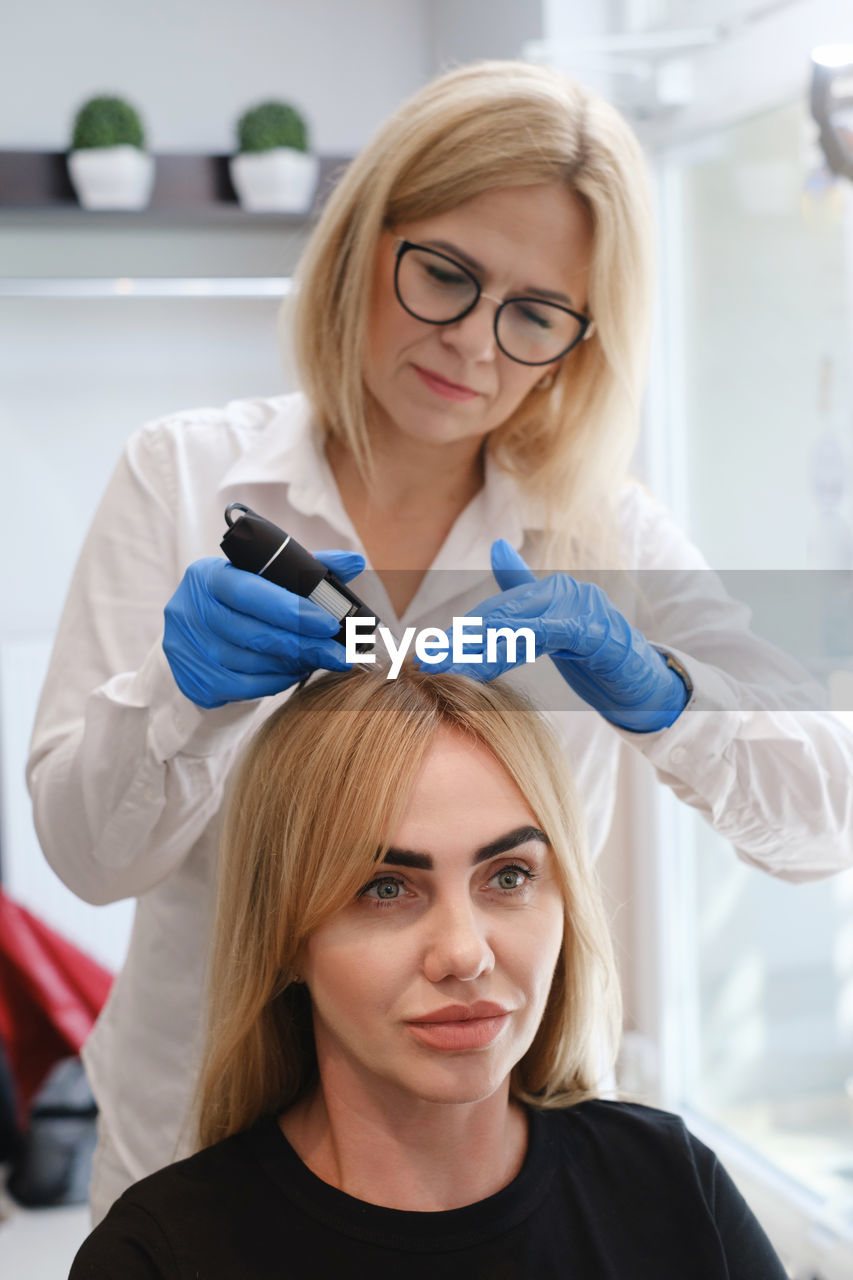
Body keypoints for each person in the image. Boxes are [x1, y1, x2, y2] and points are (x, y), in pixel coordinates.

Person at [28, 59, 853, 1222]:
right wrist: (180, 696)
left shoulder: (602, 528)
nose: (473, 345)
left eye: (533, 315)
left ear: (580, 340)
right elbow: (87, 854)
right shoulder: (181, 476)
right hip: (201, 1156)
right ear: (368, 241)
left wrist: (661, 692)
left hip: (506, 1176)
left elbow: (827, 816)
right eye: (446, 277)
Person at [69, 667, 787, 1278]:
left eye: (508, 876)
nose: (463, 954)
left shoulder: (669, 1187)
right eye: (384, 888)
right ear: (284, 934)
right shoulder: (161, 1254)